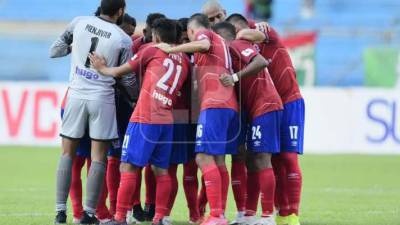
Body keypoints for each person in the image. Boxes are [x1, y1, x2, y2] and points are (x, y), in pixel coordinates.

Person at [89, 18, 190, 225]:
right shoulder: (184, 59)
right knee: (161, 170)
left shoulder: (152, 49)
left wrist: (102, 68)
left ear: (157, 36)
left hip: (145, 118)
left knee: (128, 167)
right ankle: (160, 217)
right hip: (166, 120)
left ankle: (119, 217)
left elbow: (120, 72)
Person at [50, 0, 134, 223]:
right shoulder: (123, 39)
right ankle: (89, 213)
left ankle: (60, 213)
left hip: (75, 96)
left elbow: (54, 51)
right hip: (102, 99)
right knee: (98, 159)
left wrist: (74, 47)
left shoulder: (79, 22)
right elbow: (128, 79)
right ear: (120, 11)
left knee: (67, 154)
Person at [156, 13, 239, 225]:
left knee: (202, 157)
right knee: (218, 160)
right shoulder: (221, 41)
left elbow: (201, 45)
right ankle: (219, 214)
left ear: (193, 30)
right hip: (228, 105)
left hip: (214, 105)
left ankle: (216, 215)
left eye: (190, 36)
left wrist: (171, 49)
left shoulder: (203, 34)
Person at [226, 13, 305, 225]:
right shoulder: (237, 49)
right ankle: (275, 212)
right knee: (268, 159)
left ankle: (291, 215)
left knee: (288, 158)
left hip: (289, 100)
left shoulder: (263, 32)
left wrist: (240, 34)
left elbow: (254, 32)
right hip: (265, 105)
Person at [213, 21, 284, 225]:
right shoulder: (230, 54)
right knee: (252, 161)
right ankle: (250, 214)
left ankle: (268, 216)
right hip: (256, 109)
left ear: (221, 38)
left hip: (266, 105)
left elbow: (261, 61)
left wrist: (234, 77)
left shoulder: (236, 45)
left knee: (262, 158)